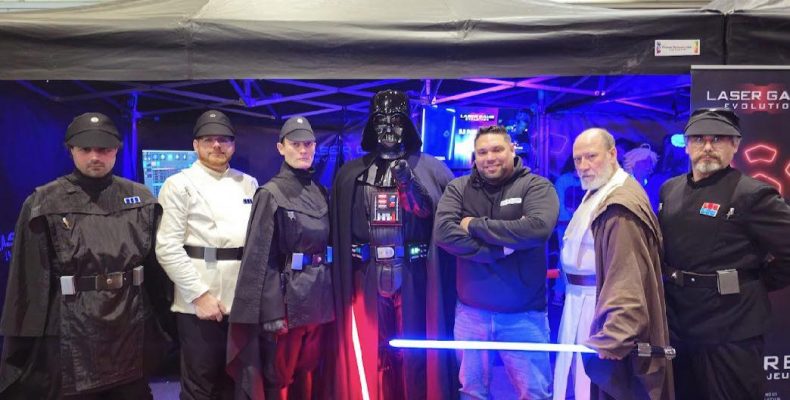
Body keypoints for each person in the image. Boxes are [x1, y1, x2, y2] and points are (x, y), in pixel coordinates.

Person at [0, 112, 170, 399]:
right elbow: (29, 280)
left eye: (103, 149)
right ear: (71, 150)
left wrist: (164, 323)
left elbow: (155, 271)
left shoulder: (141, 199)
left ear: (116, 150)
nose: (95, 157)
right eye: (85, 149)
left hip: (129, 323)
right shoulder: (45, 202)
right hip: (71, 329)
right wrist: (24, 346)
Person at [330, 89, 456, 400]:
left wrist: (406, 182)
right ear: (371, 125)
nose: (388, 129)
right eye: (381, 121)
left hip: (415, 276)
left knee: (415, 352)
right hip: (367, 276)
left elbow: (428, 211)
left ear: (407, 125)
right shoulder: (351, 173)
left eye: (396, 121)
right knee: (375, 352)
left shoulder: (430, 170)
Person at [659, 108, 790, 400]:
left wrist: (755, 283)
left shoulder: (752, 194)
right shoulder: (670, 190)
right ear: (687, 145)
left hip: (732, 327)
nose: (707, 147)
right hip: (679, 326)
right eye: (699, 139)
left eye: (717, 139)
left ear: (735, 144)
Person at [434, 125, 559, 400]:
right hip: (470, 315)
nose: (489, 157)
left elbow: (537, 229)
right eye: (482, 152)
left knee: (535, 394)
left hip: (524, 316)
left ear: (512, 149)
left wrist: (473, 225)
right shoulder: (458, 188)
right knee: (471, 393)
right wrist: (500, 249)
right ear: (475, 156)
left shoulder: (536, 186)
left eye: (497, 149)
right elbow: (443, 234)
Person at [227, 116, 335, 400]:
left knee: (309, 370)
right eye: (295, 144)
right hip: (286, 304)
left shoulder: (320, 192)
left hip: (318, 299)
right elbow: (260, 258)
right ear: (281, 147)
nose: (303, 150)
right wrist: (272, 312)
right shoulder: (270, 193)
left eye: (308, 144)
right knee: (279, 377)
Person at [156, 110, 258, 400]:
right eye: (208, 139)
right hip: (198, 301)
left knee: (237, 381)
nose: (217, 145)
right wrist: (199, 295)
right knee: (201, 384)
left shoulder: (249, 183)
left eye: (224, 140)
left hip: (241, 301)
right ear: (195, 145)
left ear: (233, 145)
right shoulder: (179, 184)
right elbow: (167, 247)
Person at [564, 128, 672, 400]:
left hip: (600, 308)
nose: (583, 166)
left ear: (612, 154)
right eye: (578, 159)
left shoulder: (619, 204)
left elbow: (627, 276)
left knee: (594, 388)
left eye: (591, 156)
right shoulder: (600, 191)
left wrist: (616, 333)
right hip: (581, 303)